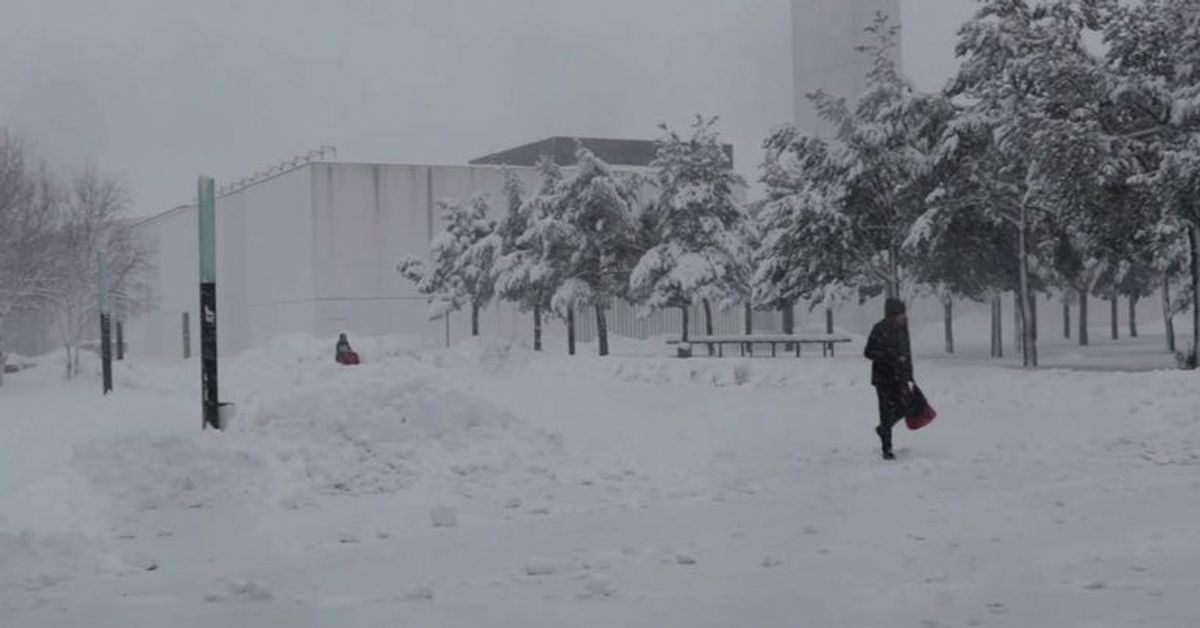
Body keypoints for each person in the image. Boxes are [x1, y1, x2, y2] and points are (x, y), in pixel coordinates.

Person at [863, 298, 914, 460]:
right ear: (892, 314)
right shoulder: (879, 329)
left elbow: (907, 353)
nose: (904, 317)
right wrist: (889, 357)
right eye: (901, 314)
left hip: (899, 377)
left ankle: (884, 429)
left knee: (903, 408)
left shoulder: (903, 329)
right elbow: (868, 352)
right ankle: (887, 448)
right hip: (883, 378)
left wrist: (909, 376)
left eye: (904, 314)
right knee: (885, 411)